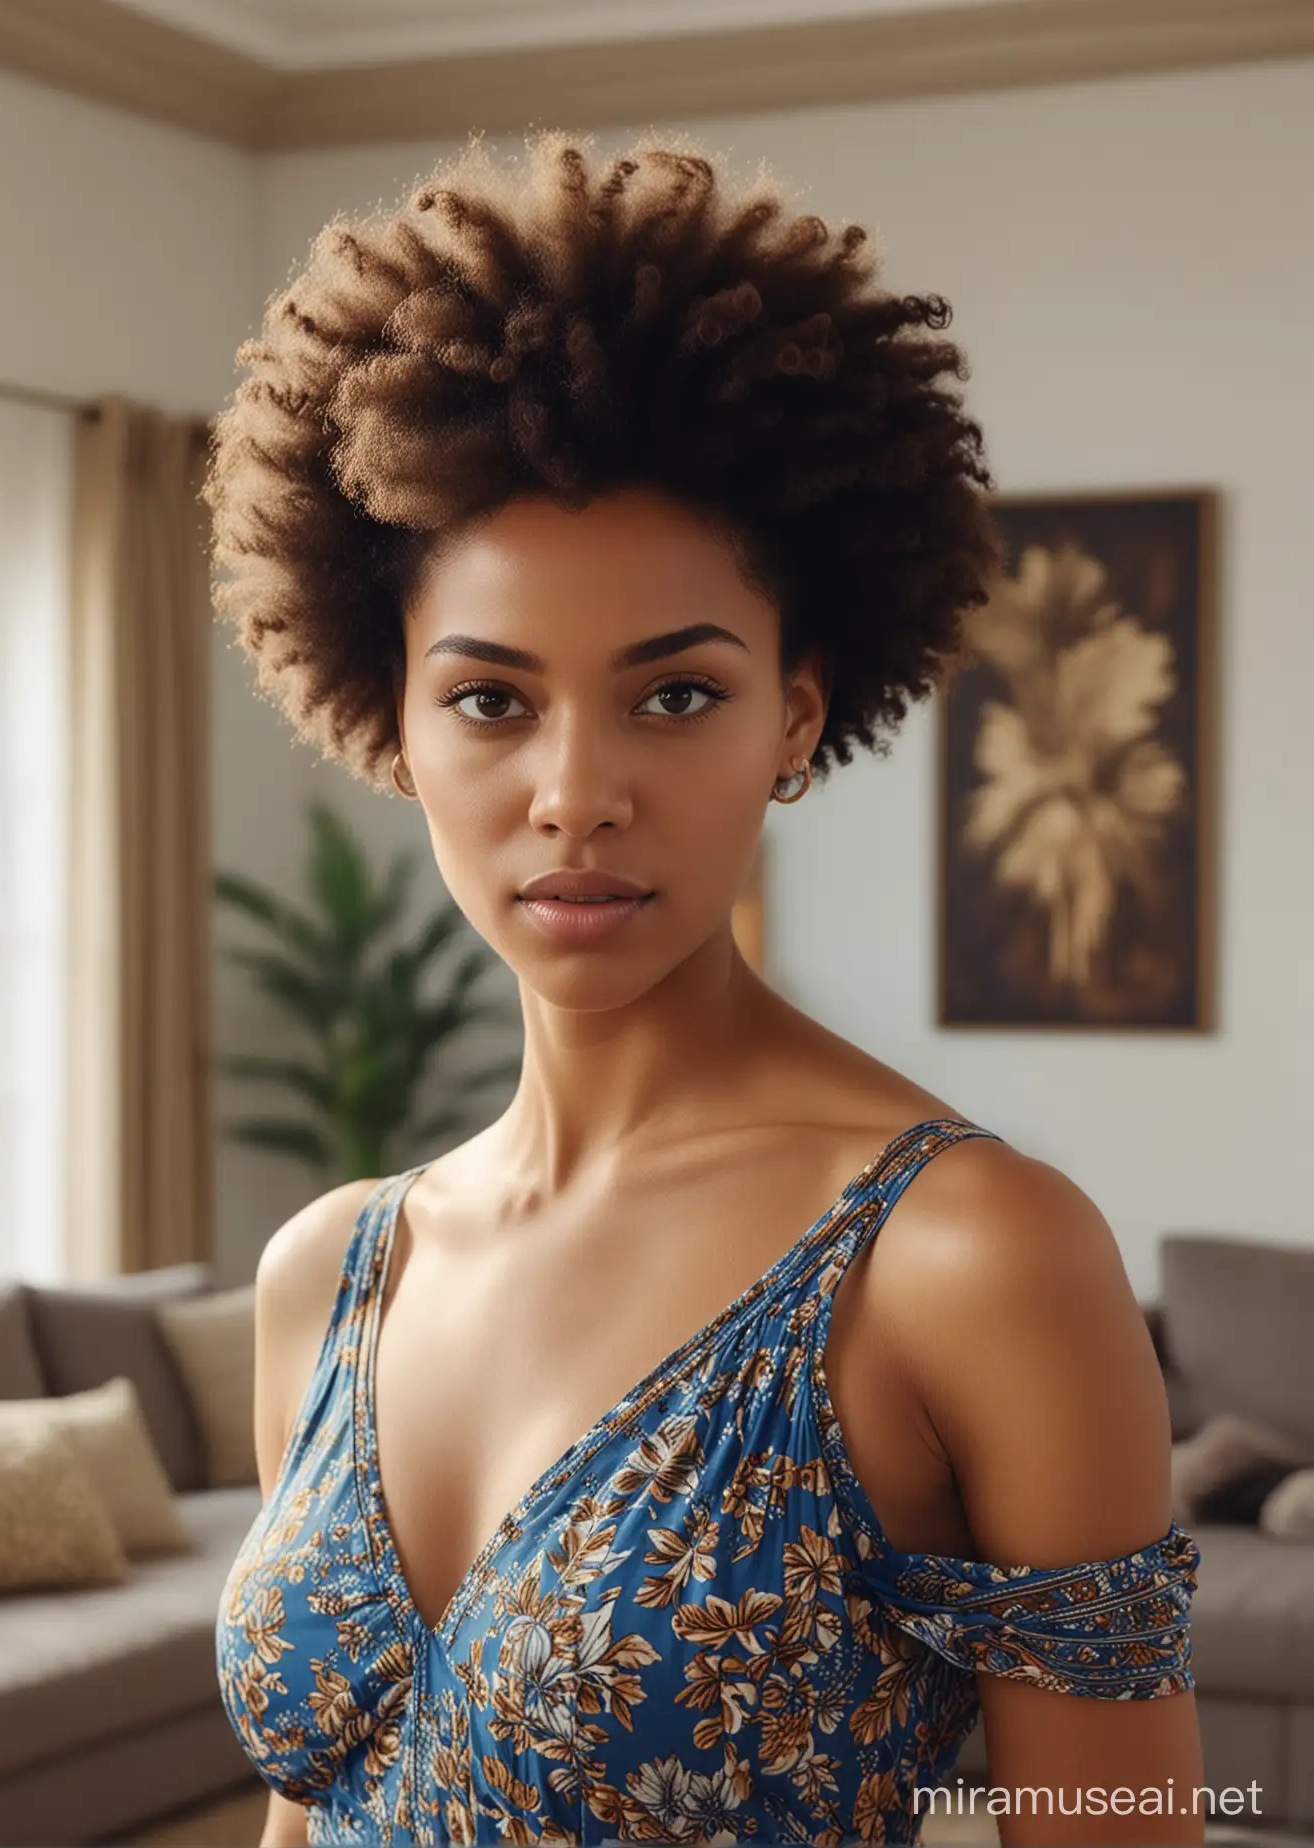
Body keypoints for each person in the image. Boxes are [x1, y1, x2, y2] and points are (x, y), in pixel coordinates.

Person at [204, 130, 1203, 1847]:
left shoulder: (965, 1255)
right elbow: (315, 1805)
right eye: (493, 700)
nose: (575, 789)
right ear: (394, 723)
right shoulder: (329, 1276)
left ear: (795, 719)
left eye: (671, 697)